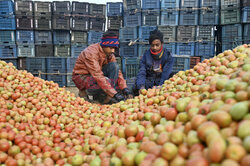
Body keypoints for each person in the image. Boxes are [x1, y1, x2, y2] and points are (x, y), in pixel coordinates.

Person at [72, 31, 133, 104]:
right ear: (104, 45)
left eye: (114, 48)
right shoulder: (91, 53)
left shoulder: (109, 54)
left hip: (95, 74)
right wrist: (114, 94)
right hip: (82, 76)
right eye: (111, 48)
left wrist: (124, 88)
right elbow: (98, 75)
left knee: (114, 66)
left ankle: (106, 96)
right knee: (106, 80)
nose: (113, 51)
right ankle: (83, 92)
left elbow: (118, 72)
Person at [133, 29, 174, 95]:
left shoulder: (168, 56)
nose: (154, 48)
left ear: (162, 44)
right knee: (136, 85)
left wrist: (161, 86)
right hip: (149, 80)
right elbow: (142, 72)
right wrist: (141, 86)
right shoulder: (146, 56)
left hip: (161, 81)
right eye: (152, 45)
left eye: (157, 45)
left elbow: (166, 73)